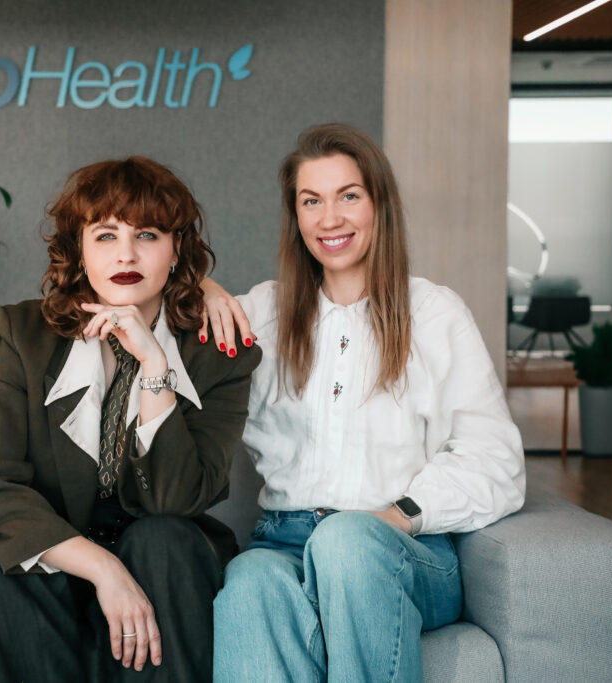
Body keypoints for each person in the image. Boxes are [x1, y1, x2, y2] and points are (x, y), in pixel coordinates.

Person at [204, 123, 526, 682]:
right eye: (312, 201)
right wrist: (203, 287)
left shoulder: (434, 313)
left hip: (399, 548)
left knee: (347, 543)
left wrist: (399, 516)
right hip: (283, 540)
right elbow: (163, 326)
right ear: (296, 216)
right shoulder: (261, 312)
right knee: (249, 581)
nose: (330, 218)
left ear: (379, 204)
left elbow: (494, 456)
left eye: (348, 196)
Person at [0, 156, 260, 681]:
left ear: (177, 248)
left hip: (162, 571)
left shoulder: (219, 353)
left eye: (148, 235)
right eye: (106, 235)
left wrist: (155, 369)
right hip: (52, 564)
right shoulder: (22, 334)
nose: (127, 254)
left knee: (163, 538)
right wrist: (104, 568)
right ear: (79, 250)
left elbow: (177, 500)